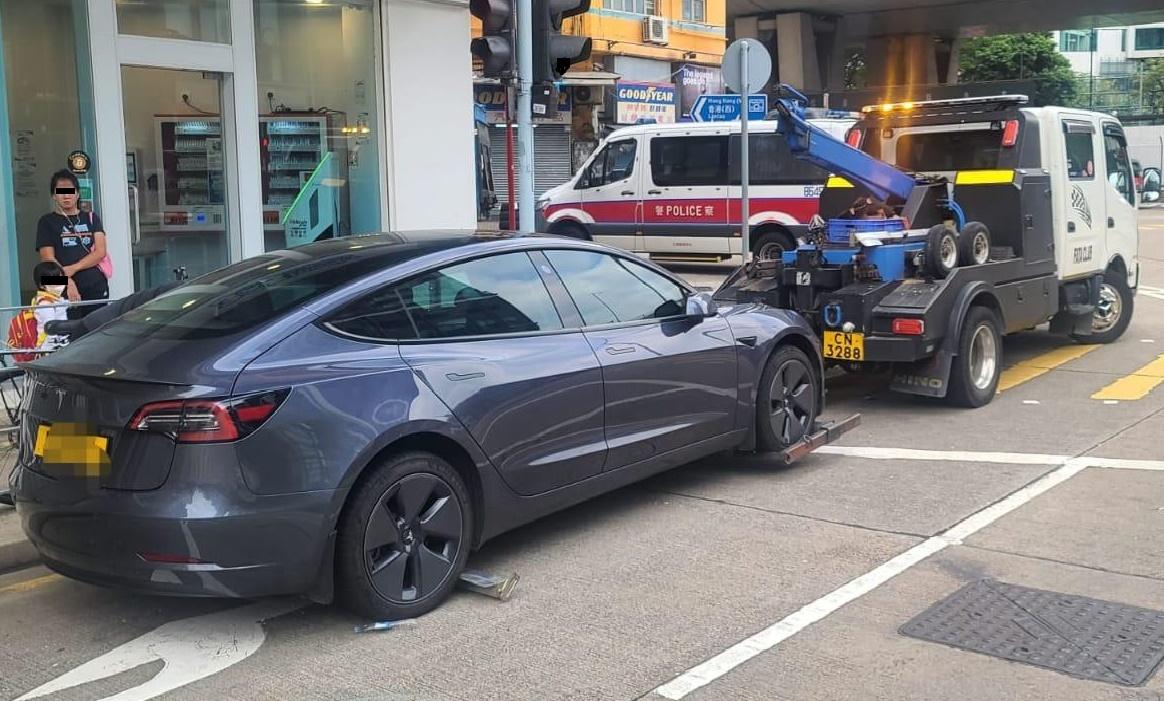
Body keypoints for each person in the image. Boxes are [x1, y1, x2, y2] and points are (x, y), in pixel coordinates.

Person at [36, 169, 109, 320]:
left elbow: (100, 252)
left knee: (96, 332)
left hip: (95, 286)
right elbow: (47, 260)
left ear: (77, 193)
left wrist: (74, 268)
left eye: (70, 191)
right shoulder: (46, 221)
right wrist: (67, 282)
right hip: (61, 288)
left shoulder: (91, 218)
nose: (66, 195)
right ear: (54, 196)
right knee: (68, 335)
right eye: (61, 191)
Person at [29, 261, 71, 352]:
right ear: (42, 285)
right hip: (51, 347)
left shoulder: (56, 299)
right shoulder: (45, 303)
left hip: (59, 343)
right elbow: (50, 327)